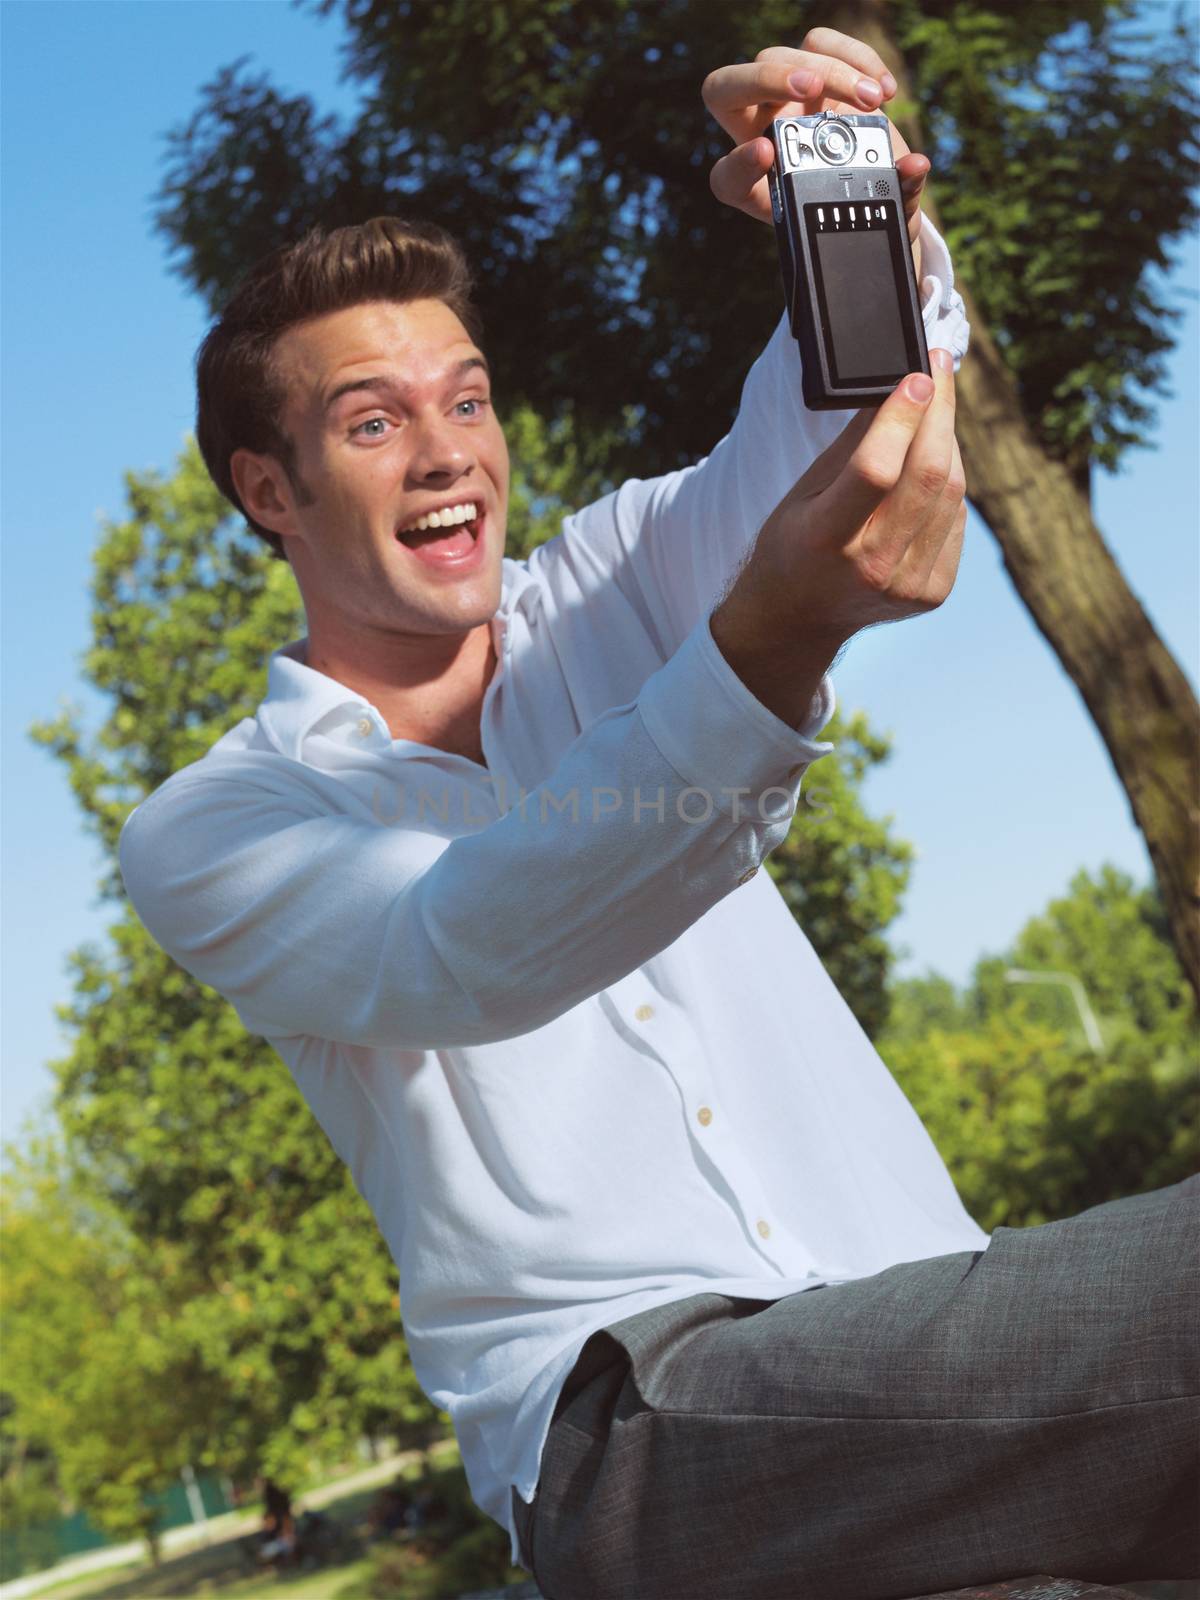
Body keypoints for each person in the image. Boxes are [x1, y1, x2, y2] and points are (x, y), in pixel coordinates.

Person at [116, 26, 1198, 1600]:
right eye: (372, 421)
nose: (449, 457)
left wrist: (852, 210)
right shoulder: (218, 828)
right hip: (633, 1428)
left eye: (467, 401)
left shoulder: (618, 575)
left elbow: (842, 421)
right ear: (267, 492)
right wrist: (761, 652)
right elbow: (464, 944)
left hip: (919, 1352)